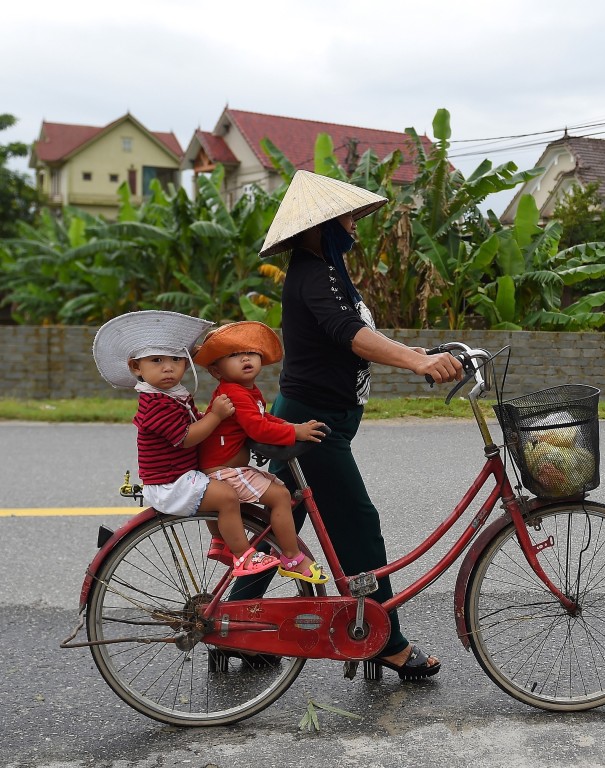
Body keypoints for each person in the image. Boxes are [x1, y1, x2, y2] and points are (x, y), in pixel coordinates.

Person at [258, 170, 465, 680]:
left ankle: (235, 631)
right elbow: (349, 334)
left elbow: (354, 333)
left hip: (310, 416)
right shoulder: (315, 272)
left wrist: (416, 352)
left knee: (275, 528)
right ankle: (386, 642)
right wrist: (416, 364)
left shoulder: (324, 270)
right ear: (320, 226)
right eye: (345, 217)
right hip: (315, 428)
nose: (354, 224)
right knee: (359, 530)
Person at [92, 310, 281, 578]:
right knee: (226, 496)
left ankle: (220, 543)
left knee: (220, 490)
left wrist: (212, 419)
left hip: (180, 477)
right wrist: (215, 417)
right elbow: (185, 437)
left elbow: (192, 422)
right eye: (156, 360)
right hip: (171, 483)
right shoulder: (156, 404)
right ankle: (244, 557)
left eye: (177, 359)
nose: (168, 367)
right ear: (137, 367)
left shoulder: (171, 395)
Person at [195, 321, 328, 584]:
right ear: (215, 370)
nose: (245, 358)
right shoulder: (235, 392)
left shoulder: (245, 391)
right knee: (279, 496)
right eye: (233, 355)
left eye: (251, 352)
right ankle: (292, 558)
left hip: (228, 469)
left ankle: (222, 542)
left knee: (276, 489)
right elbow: (258, 429)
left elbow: (262, 417)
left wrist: (291, 426)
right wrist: (295, 433)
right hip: (224, 472)